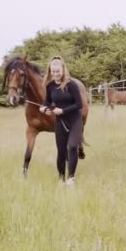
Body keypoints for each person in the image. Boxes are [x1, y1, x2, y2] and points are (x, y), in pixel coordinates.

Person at [39, 56, 83, 186]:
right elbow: (47, 101)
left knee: (72, 146)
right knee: (61, 151)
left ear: (63, 70)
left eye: (58, 71)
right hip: (60, 122)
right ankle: (61, 178)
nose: (55, 74)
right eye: (53, 71)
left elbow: (79, 104)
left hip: (75, 119)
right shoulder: (50, 86)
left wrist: (63, 111)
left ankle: (71, 178)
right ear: (50, 71)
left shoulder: (71, 84)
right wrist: (43, 108)